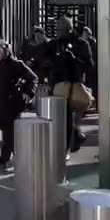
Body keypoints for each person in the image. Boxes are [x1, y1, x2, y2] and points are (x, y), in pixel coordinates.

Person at [0, 40, 38, 171]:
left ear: (6, 51)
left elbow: (33, 78)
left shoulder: (16, 65)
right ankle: (21, 157)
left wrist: (28, 93)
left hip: (13, 103)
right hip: (0, 104)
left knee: (9, 132)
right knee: (7, 132)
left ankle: (3, 160)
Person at [47, 16, 92, 152]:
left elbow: (89, 65)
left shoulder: (81, 44)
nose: (58, 32)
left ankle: (66, 147)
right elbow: (44, 59)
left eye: (61, 29)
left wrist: (73, 59)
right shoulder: (55, 44)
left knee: (68, 119)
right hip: (60, 85)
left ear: (69, 29)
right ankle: (76, 137)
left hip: (75, 85)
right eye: (57, 29)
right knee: (65, 118)